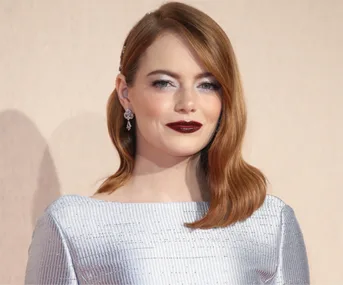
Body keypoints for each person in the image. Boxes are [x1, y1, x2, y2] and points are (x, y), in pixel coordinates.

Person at [24, 1, 310, 284]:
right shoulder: (73, 226)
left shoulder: (270, 223)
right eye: (164, 83)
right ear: (125, 93)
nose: (187, 103)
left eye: (207, 85)